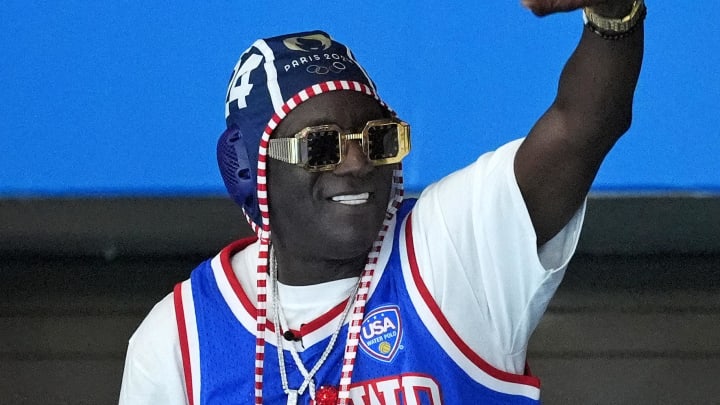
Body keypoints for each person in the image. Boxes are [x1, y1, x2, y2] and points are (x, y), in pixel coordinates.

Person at [119, 0, 646, 403]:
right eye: (320, 146)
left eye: (377, 140)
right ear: (251, 170)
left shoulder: (449, 249)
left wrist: (612, 12)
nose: (355, 165)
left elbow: (584, 126)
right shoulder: (180, 339)